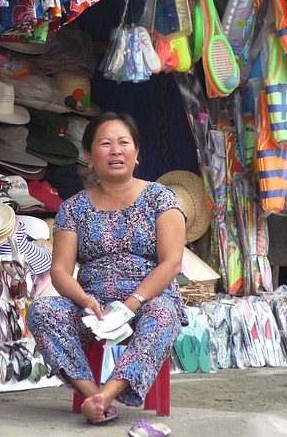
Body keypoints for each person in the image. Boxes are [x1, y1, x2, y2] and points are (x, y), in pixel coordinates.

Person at [26, 112, 188, 425]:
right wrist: (84, 300)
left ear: (136, 152)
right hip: (94, 308)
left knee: (163, 315)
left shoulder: (161, 198)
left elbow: (171, 262)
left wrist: (132, 304)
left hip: (148, 301)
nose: (115, 150)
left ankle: (107, 395)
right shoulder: (73, 207)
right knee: (41, 311)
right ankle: (92, 393)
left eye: (123, 143)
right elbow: (59, 270)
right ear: (89, 156)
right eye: (105, 144)